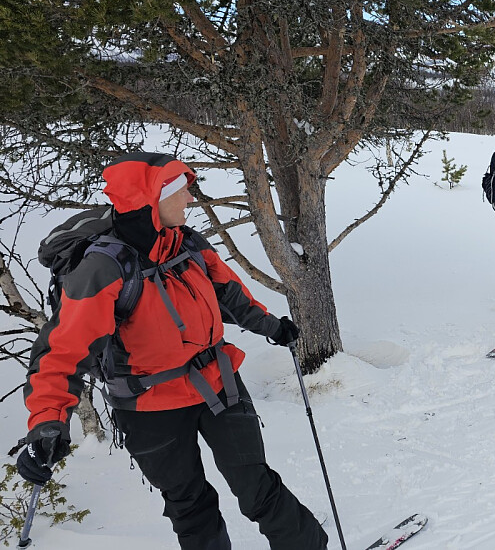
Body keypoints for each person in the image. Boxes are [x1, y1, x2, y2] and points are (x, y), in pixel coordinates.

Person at [17, 152, 328, 550]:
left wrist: (274, 329)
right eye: (181, 190)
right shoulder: (103, 268)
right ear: (151, 199)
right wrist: (47, 421)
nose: (190, 200)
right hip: (150, 409)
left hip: (218, 387)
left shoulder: (187, 244)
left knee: (258, 486)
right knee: (190, 506)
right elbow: (61, 351)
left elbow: (231, 297)